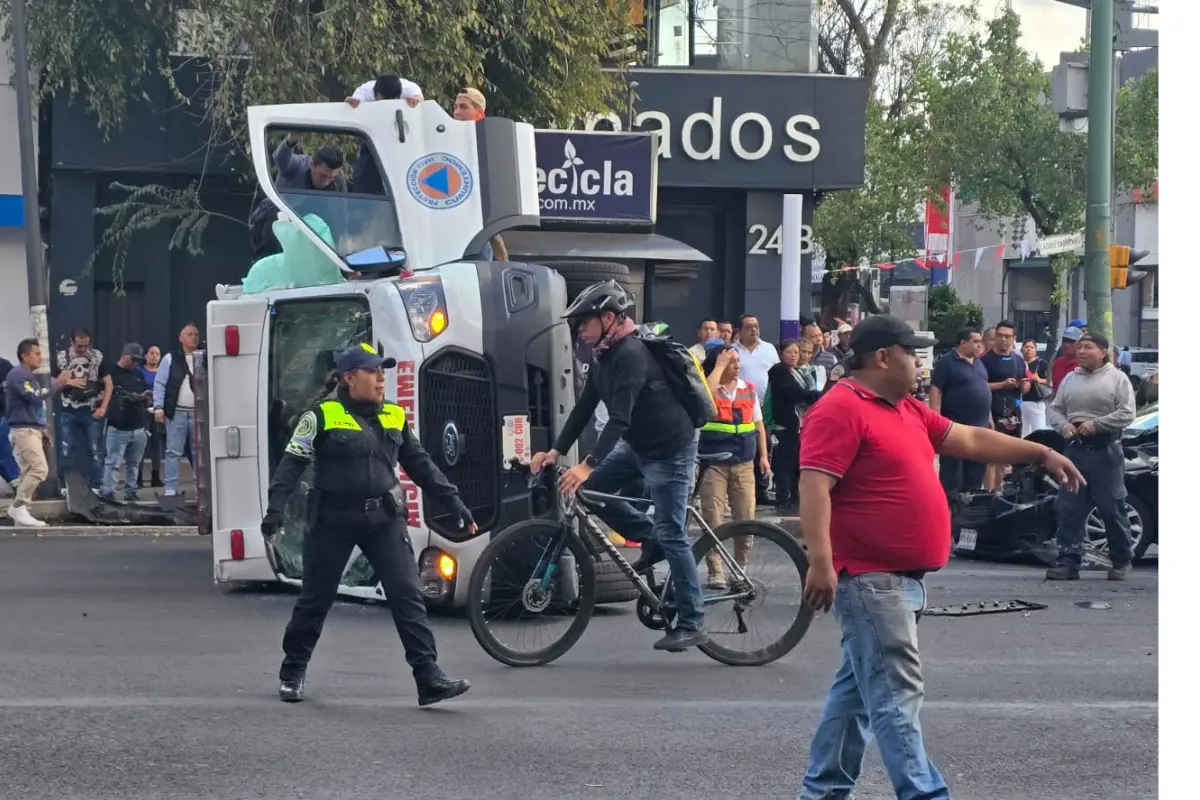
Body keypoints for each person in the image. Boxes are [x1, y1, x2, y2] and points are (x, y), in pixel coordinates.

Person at [795, 315, 1084, 800]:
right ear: (883, 357)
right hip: (871, 580)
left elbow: (969, 439)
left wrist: (1038, 453)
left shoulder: (904, 408)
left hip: (897, 581)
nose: (920, 364)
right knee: (895, 697)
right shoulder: (841, 407)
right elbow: (814, 486)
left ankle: (821, 793)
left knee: (857, 697)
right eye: (913, 354)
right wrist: (821, 562)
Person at [263, 343, 475, 705]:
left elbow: (420, 464)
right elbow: (291, 466)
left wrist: (453, 501)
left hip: (382, 519)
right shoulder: (320, 417)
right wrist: (275, 511)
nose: (381, 379)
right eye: (372, 371)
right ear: (349, 378)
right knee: (316, 600)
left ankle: (428, 677)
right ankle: (293, 670)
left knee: (407, 595)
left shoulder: (394, 415)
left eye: (383, 371)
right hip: (332, 519)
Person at [529, 281, 707, 652]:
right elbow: (583, 408)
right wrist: (555, 451)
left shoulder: (631, 354)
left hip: (671, 448)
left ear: (609, 318)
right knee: (588, 492)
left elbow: (619, 419)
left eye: (585, 323)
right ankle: (650, 535)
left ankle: (692, 621)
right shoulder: (604, 355)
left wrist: (588, 464)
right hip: (638, 445)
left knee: (673, 533)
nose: (580, 331)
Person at [1045, 332, 1137, 581]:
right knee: (1069, 507)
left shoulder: (1117, 379)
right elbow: (1054, 408)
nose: (1081, 351)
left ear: (1103, 351)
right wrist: (1064, 426)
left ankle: (1121, 561)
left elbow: (1127, 413)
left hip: (1106, 450)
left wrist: (1096, 425)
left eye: (1087, 347)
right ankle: (1068, 562)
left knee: (1111, 506)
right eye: (1079, 347)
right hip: (1075, 449)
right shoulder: (1070, 379)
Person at [697, 342, 770, 589]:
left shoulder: (747, 389)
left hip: (743, 463)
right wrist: (717, 367)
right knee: (713, 518)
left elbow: (758, 425)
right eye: (731, 361)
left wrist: (764, 457)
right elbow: (703, 398)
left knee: (745, 518)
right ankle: (715, 570)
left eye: (738, 361)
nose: (737, 366)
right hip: (713, 463)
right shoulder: (710, 387)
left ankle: (739, 568)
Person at [6, 339, 85, 526]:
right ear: (25, 356)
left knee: (27, 471)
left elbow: (36, 400)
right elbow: (36, 396)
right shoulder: (18, 375)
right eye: (37, 354)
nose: (40, 357)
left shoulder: (27, 375)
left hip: (31, 427)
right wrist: (59, 383)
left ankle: (21, 514)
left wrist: (41, 427)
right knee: (40, 469)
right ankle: (19, 505)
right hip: (24, 429)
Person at [249, 137, 346, 258]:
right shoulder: (297, 165)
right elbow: (281, 158)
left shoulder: (338, 182)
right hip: (278, 220)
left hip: (312, 227)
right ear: (312, 165)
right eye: (322, 176)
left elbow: (339, 218)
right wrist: (291, 141)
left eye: (331, 177)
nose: (326, 182)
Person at [929, 327, 991, 498]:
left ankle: (971, 507)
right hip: (956, 427)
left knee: (975, 472)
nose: (980, 346)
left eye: (980, 341)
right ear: (963, 343)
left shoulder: (979, 363)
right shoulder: (948, 362)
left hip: (980, 428)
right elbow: (936, 390)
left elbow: (984, 389)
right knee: (953, 474)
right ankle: (951, 509)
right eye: (975, 341)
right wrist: (935, 419)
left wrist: (990, 417)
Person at [767, 338, 821, 514]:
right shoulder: (779, 371)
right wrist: (816, 395)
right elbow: (794, 392)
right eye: (789, 352)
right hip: (784, 425)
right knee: (784, 466)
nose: (793, 355)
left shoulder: (796, 372)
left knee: (797, 463)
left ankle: (794, 498)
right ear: (781, 353)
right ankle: (783, 501)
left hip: (797, 425)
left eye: (796, 352)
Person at [55, 327, 111, 491]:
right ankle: (65, 487)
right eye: (79, 346)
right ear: (71, 342)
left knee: (95, 450)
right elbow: (52, 380)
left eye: (86, 345)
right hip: (68, 408)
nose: (83, 350)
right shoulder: (61, 358)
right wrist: (69, 382)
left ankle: (95, 487)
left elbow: (108, 383)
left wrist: (103, 407)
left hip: (91, 409)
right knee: (66, 449)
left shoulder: (97, 357)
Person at [732, 314, 779, 506]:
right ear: (740, 330)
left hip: (764, 405)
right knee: (745, 446)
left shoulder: (768, 349)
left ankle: (762, 489)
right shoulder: (733, 351)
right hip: (740, 407)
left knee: (764, 446)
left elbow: (777, 374)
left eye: (756, 326)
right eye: (749, 327)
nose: (754, 330)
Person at [153, 323, 201, 497]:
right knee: (173, 451)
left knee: (199, 453)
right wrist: (158, 407)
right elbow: (160, 383)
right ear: (181, 338)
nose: (194, 337)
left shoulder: (204, 357)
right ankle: (170, 490)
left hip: (198, 413)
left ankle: (200, 489)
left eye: (196, 334)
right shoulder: (170, 358)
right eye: (189, 334)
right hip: (177, 412)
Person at [980, 320, 1029, 489]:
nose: (1003, 339)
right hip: (992, 412)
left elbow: (1025, 383)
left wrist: (1025, 386)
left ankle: (1007, 493)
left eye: (1007, 336)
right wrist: (1002, 384)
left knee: (1012, 456)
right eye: (999, 336)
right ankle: (989, 495)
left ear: (1014, 338)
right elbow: (978, 386)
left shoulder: (1019, 360)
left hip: (1014, 413)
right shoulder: (985, 361)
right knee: (993, 458)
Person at [102, 344, 152, 502]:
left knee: (134, 463)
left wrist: (144, 398)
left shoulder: (138, 374)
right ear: (125, 355)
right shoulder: (111, 372)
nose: (135, 363)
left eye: (138, 360)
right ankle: (108, 490)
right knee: (113, 462)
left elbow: (147, 395)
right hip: (118, 425)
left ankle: (131, 491)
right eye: (133, 359)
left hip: (138, 425)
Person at [138, 345, 164, 488]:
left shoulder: (164, 372)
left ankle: (155, 475)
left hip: (159, 411)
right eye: (152, 353)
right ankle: (138, 477)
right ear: (146, 356)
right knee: (142, 444)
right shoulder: (140, 372)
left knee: (157, 444)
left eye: (157, 353)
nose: (155, 356)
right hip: (143, 411)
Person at [1020, 338, 1051, 437]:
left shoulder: (1042, 364)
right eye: (1026, 347)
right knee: (1023, 434)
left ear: (1035, 350)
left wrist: (1038, 380)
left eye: (1031, 347)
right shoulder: (1018, 363)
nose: (1028, 349)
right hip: (1020, 402)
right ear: (1021, 349)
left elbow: (1051, 382)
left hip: (1037, 402)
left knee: (1039, 432)